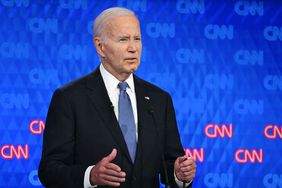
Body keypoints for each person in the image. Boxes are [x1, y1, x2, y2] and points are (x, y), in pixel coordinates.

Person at [38, 7, 196, 188]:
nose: (133, 48)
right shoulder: (69, 98)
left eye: (137, 39)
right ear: (100, 46)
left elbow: (169, 164)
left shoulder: (159, 99)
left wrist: (179, 174)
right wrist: (90, 175)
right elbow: (49, 170)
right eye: (123, 39)